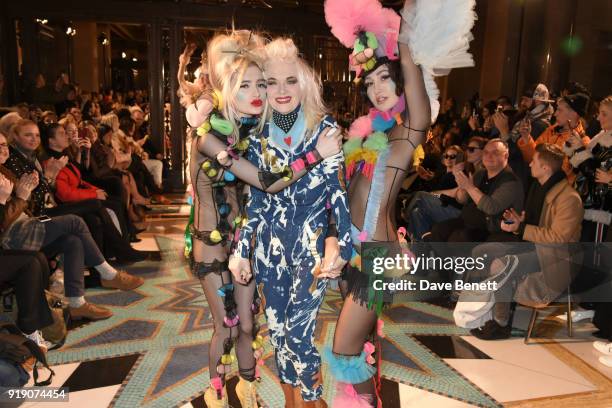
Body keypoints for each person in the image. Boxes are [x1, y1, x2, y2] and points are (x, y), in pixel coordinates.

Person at [323, 0, 475, 405]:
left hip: (378, 260)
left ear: (401, 83)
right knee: (359, 347)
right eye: (370, 83)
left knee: (343, 352)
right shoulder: (367, 135)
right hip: (355, 254)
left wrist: (406, 37)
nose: (377, 89)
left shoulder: (408, 133)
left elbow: (412, 74)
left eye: (386, 80)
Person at [183, 32, 343, 408]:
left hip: (247, 240)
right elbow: (267, 183)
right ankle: (217, 394)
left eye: (261, 83)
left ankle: (248, 386)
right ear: (228, 90)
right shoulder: (208, 136)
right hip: (210, 242)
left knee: (251, 323)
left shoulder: (252, 131)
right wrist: (316, 154)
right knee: (226, 326)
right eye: (246, 86)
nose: (257, 93)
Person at [228, 36, 351, 407]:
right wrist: (243, 250)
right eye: (271, 82)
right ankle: (292, 401)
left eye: (291, 80)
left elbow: (338, 194)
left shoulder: (323, 127)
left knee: (299, 334)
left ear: (305, 82)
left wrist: (342, 244)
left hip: (311, 246)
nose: (282, 90)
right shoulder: (258, 135)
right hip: (270, 248)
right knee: (279, 333)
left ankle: (312, 402)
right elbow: (257, 200)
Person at [0, 131, 144, 321]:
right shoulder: (14, 167)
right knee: (75, 220)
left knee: (73, 241)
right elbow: (5, 220)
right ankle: (108, 273)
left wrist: (37, 185)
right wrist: (17, 197)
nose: (3, 149)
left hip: (27, 223)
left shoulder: (6, 171)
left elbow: (34, 202)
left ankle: (77, 304)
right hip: (12, 236)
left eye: (3, 144)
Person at [468, 143, 583, 340]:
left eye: (534, 161)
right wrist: (519, 223)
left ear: (545, 168)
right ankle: (481, 308)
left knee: (501, 265)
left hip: (554, 257)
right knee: (482, 251)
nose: (530, 164)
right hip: (534, 247)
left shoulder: (569, 198)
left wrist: (521, 228)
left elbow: (558, 238)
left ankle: (501, 324)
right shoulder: (539, 188)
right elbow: (535, 226)